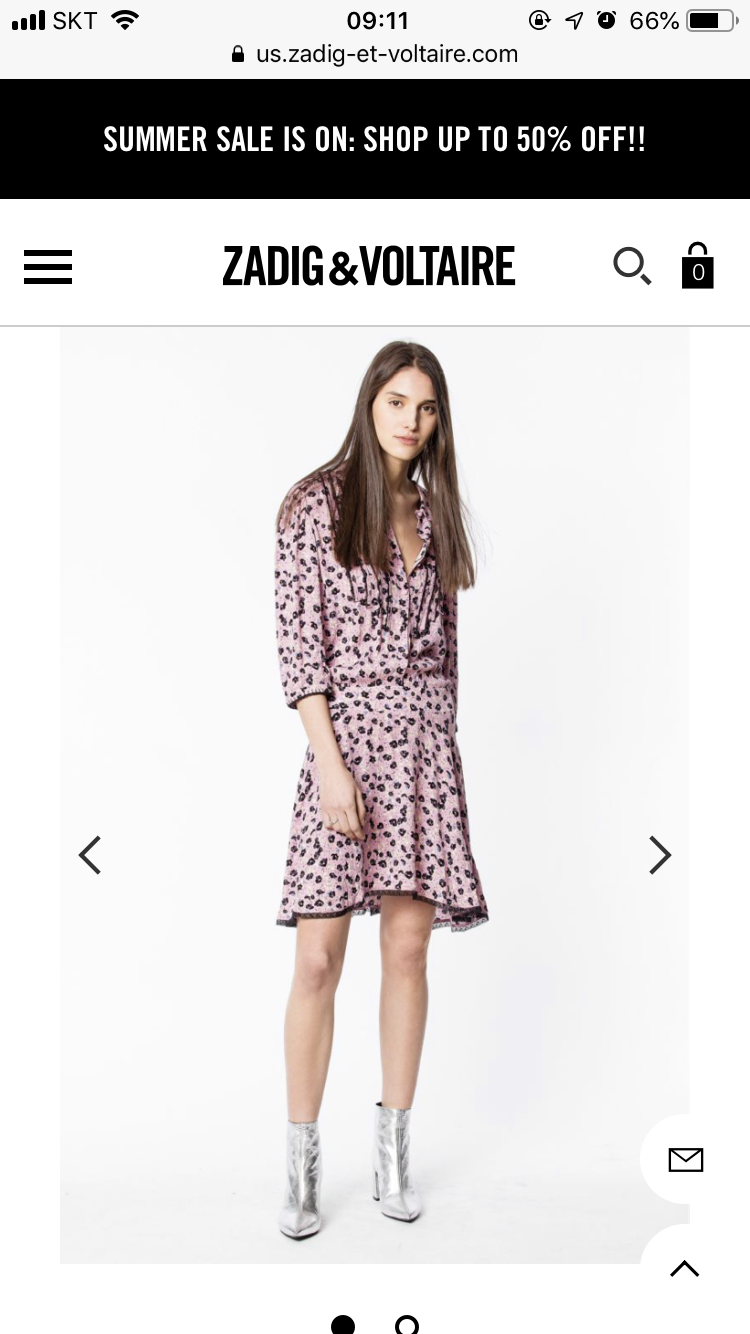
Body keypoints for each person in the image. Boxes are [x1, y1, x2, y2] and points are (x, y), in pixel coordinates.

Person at [273, 339, 488, 1239]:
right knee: (319, 960)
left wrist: (441, 756)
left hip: (425, 754)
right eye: (398, 401)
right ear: (370, 403)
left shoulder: (433, 513)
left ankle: (393, 1157)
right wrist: (330, 764)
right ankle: (301, 1169)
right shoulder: (313, 504)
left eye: (427, 407)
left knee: (407, 952)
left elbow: (447, 651)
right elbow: (299, 646)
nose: (412, 420)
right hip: (347, 747)